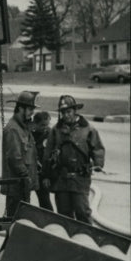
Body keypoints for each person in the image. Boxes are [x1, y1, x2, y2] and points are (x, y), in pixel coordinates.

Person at [45, 95, 105, 224]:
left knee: (82, 212)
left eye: (68, 112)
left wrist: (98, 163)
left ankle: (88, 241)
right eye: (63, 112)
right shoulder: (56, 130)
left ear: (75, 111)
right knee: (63, 215)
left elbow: (98, 148)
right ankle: (68, 242)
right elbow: (48, 153)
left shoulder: (88, 129)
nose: (66, 115)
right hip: (61, 179)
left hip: (80, 178)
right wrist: (46, 175)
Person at [0, 91, 39, 219]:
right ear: (20, 108)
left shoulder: (23, 127)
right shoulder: (13, 129)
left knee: (23, 220)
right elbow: (14, 158)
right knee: (16, 221)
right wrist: (26, 176)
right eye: (30, 109)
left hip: (22, 185)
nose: (32, 112)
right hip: (16, 185)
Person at [30, 110, 54, 211]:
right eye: (42, 125)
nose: (45, 128)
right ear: (35, 123)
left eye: (47, 124)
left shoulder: (49, 134)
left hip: (42, 173)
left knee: (44, 199)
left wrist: (47, 175)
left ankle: (49, 221)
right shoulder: (28, 133)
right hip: (29, 171)